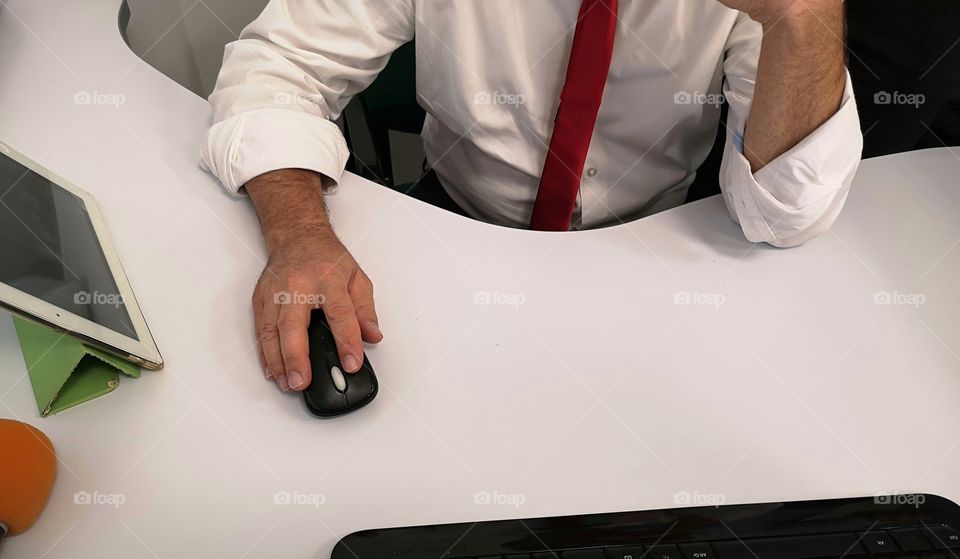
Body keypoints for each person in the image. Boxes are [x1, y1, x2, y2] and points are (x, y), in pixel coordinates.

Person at [201, 0, 862, 393]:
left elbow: (785, 214)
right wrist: (299, 232)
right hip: (455, 228)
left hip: (661, 253)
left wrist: (803, 17)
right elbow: (280, 65)